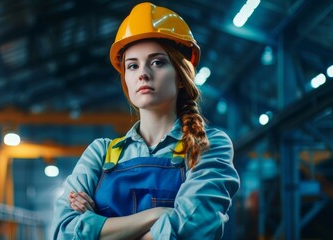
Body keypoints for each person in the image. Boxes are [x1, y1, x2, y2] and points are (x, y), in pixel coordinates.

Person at [50, 2, 240, 239]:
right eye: (132, 65)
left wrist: (99, 227)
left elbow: (191, 230)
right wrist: (157, 214)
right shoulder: (100, 153)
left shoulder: (207, 145)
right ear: (126, 79)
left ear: (181, 77)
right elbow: (62, 232)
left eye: (157, 62)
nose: (142, 73)